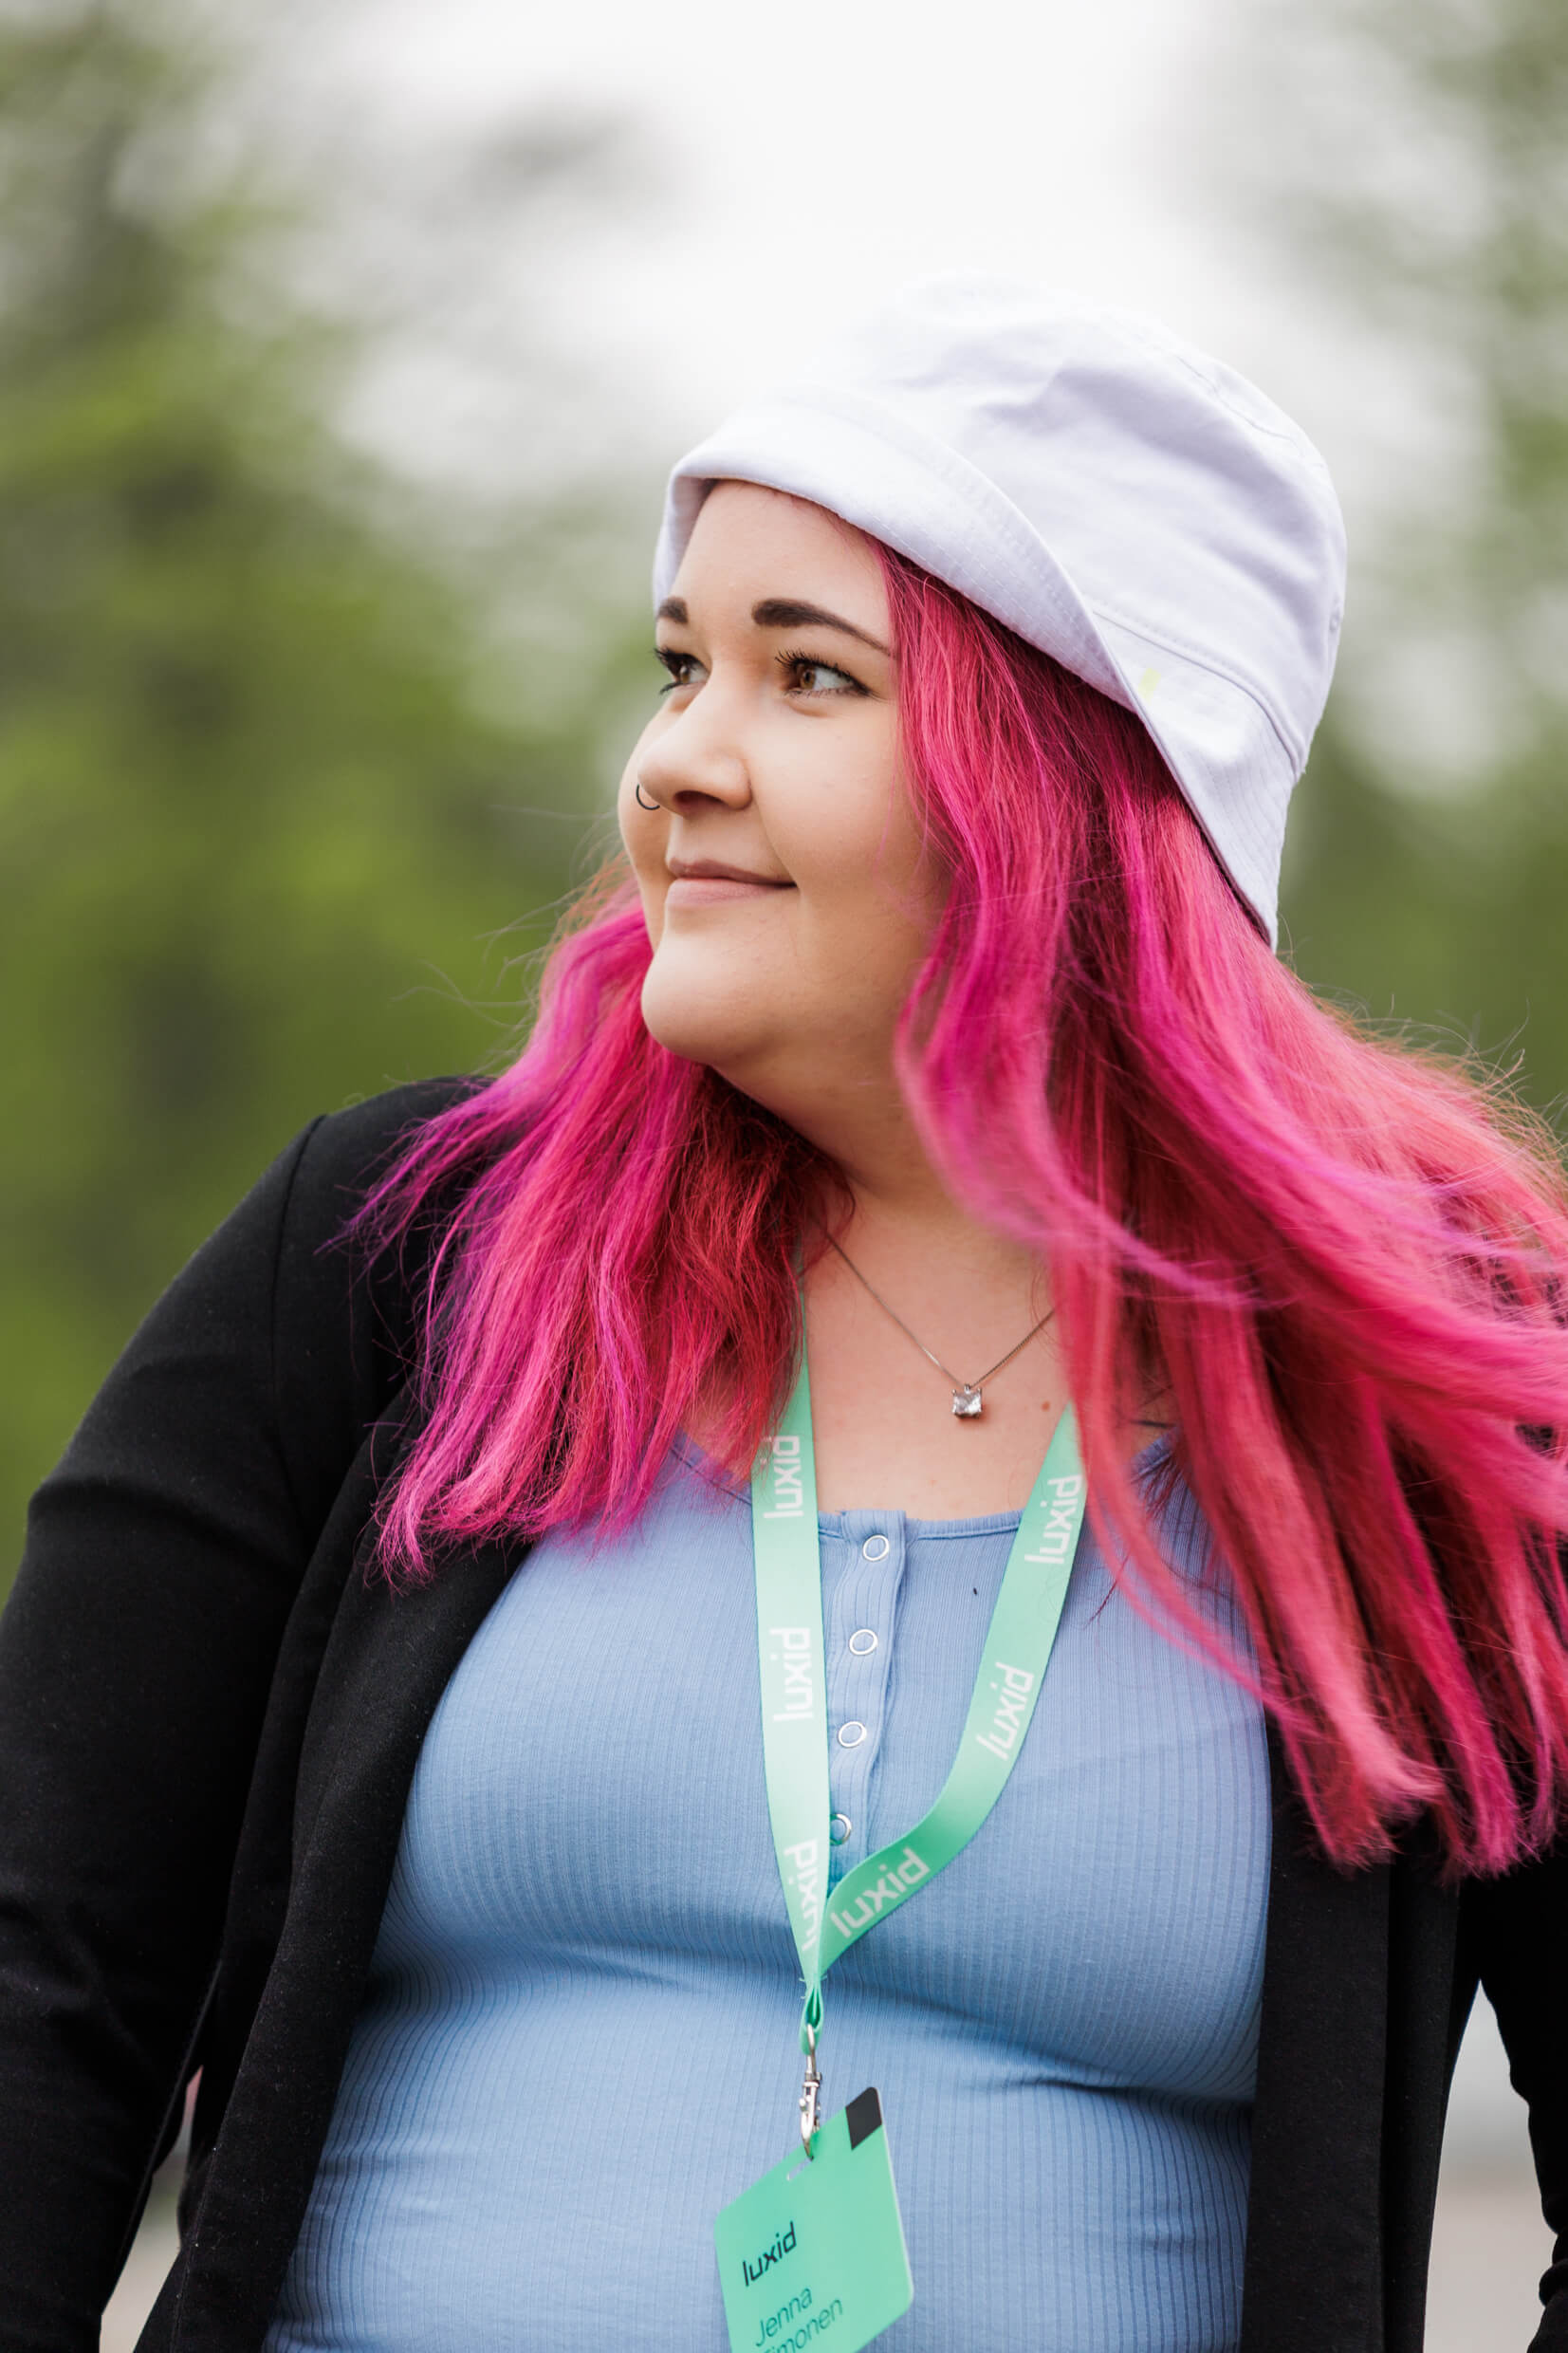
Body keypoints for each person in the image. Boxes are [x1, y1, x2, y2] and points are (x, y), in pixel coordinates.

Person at [3, 278, 1567, 2353]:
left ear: (1084, 779)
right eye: (677, 665)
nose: (672, 765)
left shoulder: (1432, 1385)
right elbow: (43, 1984)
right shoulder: (397, 1257)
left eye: (804, 676)